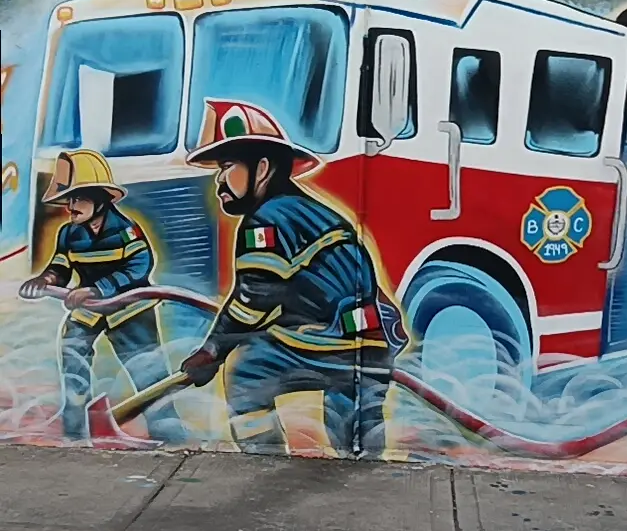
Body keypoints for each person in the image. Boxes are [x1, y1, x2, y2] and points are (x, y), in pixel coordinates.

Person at [180, 99, 406, 454]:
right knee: (357, 436)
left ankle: (265, 459)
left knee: (247, 374)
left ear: (263, 166)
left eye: (227, 166)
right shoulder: (312, 212)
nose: (219, 181)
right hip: (369, 346)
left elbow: (254, 300)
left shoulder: (268, 219)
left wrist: (212, 351)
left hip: (327, 345)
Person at [18, 150, 183, 444]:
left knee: (149, 377)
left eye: (77, 198)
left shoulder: (125, 231)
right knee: (73, 360)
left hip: (128, 310)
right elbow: (61, 265)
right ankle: (75, 437)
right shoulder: (70, 234)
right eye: (68, 199)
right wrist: (46, 279)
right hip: (89, 308)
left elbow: (139, 267)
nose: (70, 207)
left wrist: (98, 289)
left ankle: (172, 439)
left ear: (100, 199)